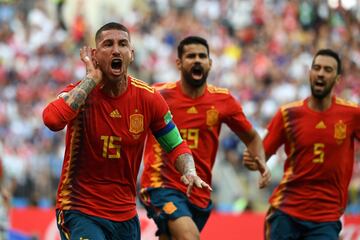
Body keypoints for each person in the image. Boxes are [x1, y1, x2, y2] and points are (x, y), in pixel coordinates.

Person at [42, 22, 211, 240]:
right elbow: (52, 120)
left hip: (125, 215)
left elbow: (177, 145)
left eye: (122, 44)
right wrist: (92, 79)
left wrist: (189, 170)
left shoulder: (148, 99)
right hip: (80, 209)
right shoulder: (79, 94)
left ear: (131, 54)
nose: (115, 50)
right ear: (94, 55)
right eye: (108, 44)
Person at [139, 36, 271, 240]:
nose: (197, 60)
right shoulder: (158, 95)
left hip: (200, 193)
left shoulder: (223, 100)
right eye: (191, 56)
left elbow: (252, 137)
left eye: (202, 56)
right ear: (179, 63)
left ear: (210, 63)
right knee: (189, 237)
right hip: (161, 185)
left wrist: (260, 159)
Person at [243, 49, 360, 240]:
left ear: (337, 79)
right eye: (317, 68)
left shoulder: (352, 115)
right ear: (310, 73)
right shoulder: (288, 114)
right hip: (286, 212)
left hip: (326, 218)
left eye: (328, 70)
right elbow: (260, 154)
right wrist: (252, 160)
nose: (321, 73)